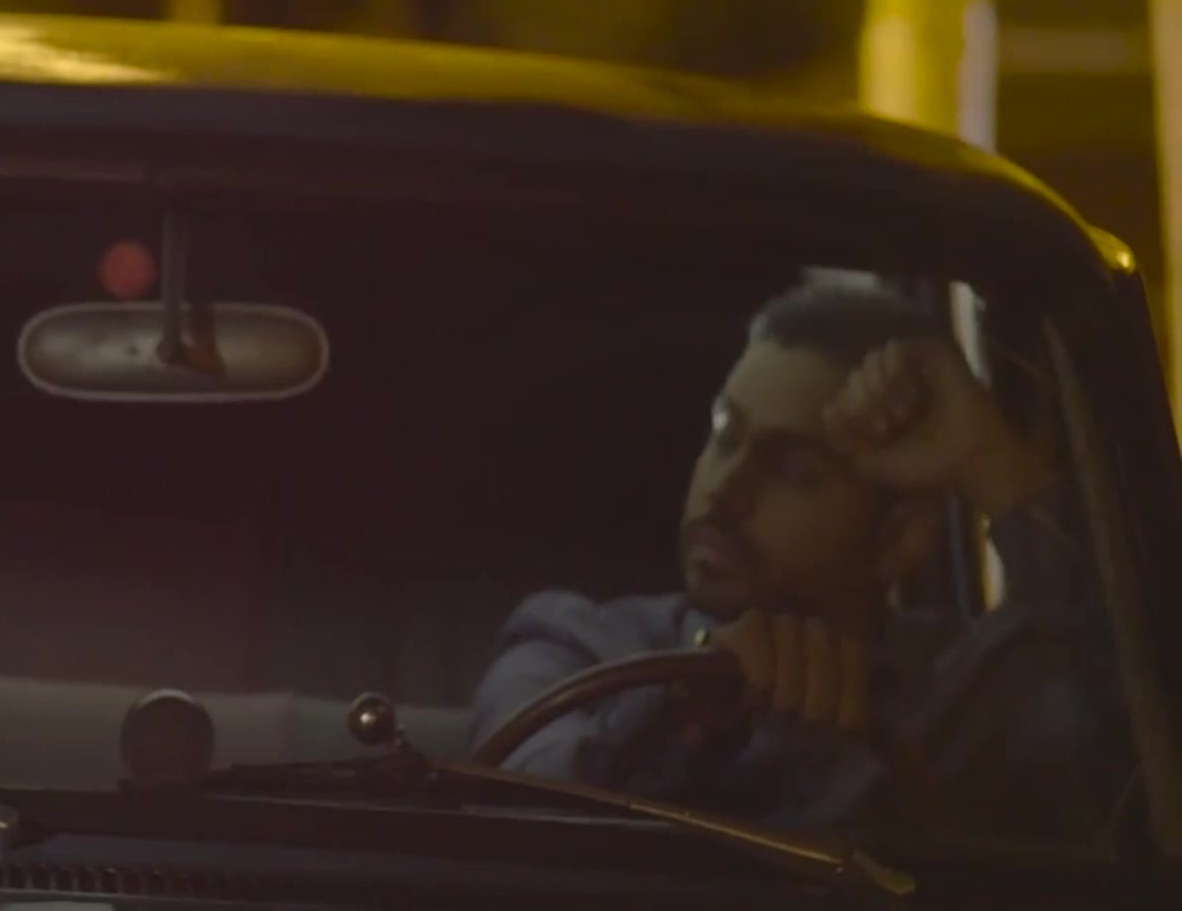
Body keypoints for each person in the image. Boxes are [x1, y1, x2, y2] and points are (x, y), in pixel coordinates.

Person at [470, 279, 1122, 839]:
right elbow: (520, 825)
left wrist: (990, 461)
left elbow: (1135, 697)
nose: (727, 489)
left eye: (791, 470)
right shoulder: (577, 647)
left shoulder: (966, 697)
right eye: (726, 433)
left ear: (899, 539)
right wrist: (683, 717)